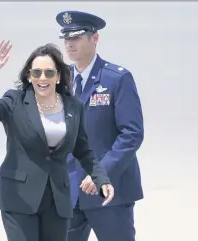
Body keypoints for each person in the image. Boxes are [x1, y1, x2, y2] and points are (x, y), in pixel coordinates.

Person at [0, 40, 115, 241]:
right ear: (29, 76)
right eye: (36, 72)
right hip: (18, 195)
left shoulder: (74, 106)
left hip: (57, 199)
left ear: (58, 77)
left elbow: (83, 150)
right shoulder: (15, 101)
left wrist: (101, 178)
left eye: (49, 73)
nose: (42, 78)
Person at [55, 11, 145, 241]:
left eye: (76, 37)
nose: (69, 43)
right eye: (66, 37)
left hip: (110, 193)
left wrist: (101, 174)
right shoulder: (59, 80)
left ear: (94, 39)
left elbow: (132, 134)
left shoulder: (117, 78)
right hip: (69, 192)